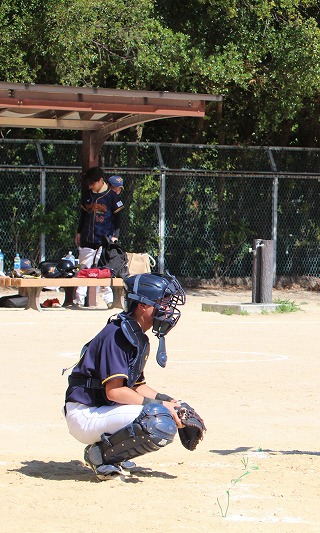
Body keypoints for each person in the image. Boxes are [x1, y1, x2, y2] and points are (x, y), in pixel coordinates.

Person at [64, 272, 188, 480]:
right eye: (163, 303)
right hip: (85, 413)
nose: (168, 309)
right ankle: (100, 455)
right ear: (143, 305)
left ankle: (115, 454)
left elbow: (137, 386)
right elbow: (115, 392)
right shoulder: (117, 335)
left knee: (165, 409)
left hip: (102, 410)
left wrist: (170, 401)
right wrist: (161, 407)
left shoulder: (135, 334)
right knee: (157, 418)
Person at [74, 166, 125, 308]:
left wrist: (115, 236)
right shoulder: (88, 195)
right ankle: (79, 299)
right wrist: (79, 232)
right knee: (83, 269)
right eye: (89, 183)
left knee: (104, 270)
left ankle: (109, 300)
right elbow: (83, 215)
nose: (91, 186)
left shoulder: (112, 196)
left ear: (101, 180)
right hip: (88, 237)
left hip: (104, 239)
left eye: (93, 183)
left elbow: (118, 218)